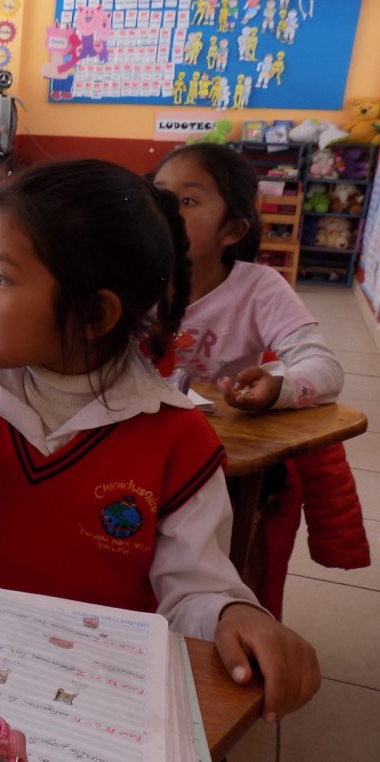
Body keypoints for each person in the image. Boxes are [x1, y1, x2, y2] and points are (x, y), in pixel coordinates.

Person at [0, 160, 320, 724]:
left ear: (93, 315)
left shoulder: (176, 439)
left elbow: (193, 591)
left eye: (3, 276)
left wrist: (233, 613)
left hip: (86, 698)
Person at [153, 143, 368, 616]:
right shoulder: (128, 282)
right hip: (141, 454)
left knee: (211, 588)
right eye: (158, 196)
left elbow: (325, 369)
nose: (165, 211)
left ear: (233, 230)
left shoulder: (258, 288)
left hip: (222, 470)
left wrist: (277, 386)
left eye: (186, 200)